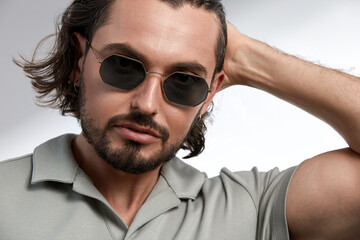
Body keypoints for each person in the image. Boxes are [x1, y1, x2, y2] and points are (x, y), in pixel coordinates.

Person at [1, 0, 359, 239]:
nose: (147, 104)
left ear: (212, 92)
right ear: (80, 62)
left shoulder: (252, 209)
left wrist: (247, 57)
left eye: (184, 81)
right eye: (124, 65)